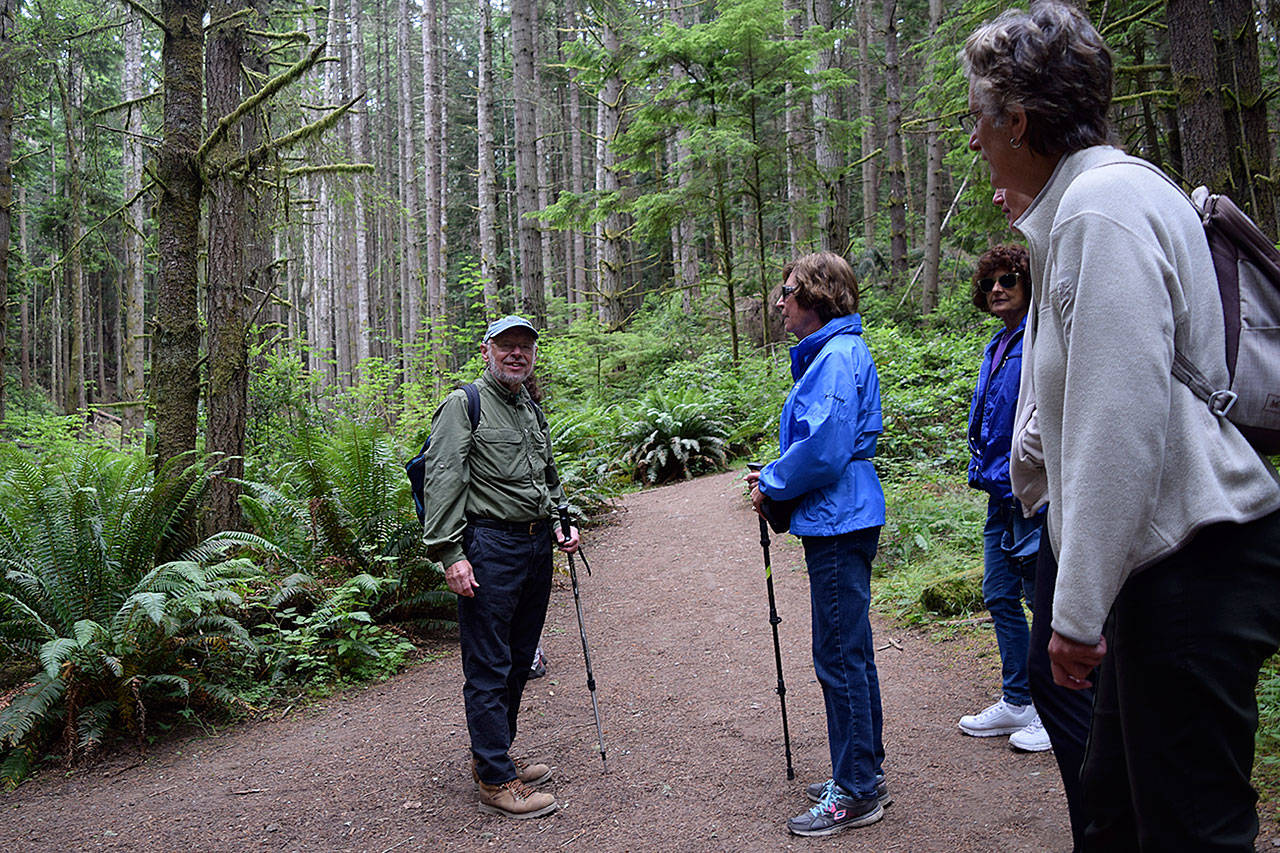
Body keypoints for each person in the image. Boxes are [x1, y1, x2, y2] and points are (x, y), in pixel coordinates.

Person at [963, 5, 1280, 850]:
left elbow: (1117, 419)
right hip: (1172, 558)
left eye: (976, 116)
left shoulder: (1099, 208)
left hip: (1188, 563)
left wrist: (1076, 608)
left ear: (1018, 120)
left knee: (1189, 828)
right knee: (1115, 803)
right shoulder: (1103, 196)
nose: (971, 140)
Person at [746, 252, 889, 837]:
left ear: (816, 297)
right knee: (849, 649)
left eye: (787, 292)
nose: (779, 303)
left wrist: (773, 481)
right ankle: (863, 772)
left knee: (838, 655)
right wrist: (780, 471)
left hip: (839, 518)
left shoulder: (834, 358)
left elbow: (825, 450)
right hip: (842, 512)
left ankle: (855, 789)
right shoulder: (836, 353)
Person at [419, 315, 580, 820]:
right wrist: (450, 554)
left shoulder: (529, 408)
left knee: (517, 658)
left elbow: (545, 474)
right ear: (487, 350)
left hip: (534, 547)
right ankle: (494, 779)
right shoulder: (463, 405)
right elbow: (442, 480)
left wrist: (561, 519)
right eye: (507, 345)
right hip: (488, 546)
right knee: (489, 664)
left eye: (525, 346)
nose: (517, 353)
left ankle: (495, 756)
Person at [957, 244, 1049, 753]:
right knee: (998, 594)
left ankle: (1055, 707)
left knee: (1041, 599)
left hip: (1032, 489)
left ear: (1028, 284)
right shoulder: (1000, 343)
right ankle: (1018, 699)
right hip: (999, 491)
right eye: (991, 281)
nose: (998, 289)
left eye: (1009, 280)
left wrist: (1027, 459)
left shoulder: (1039, 337)